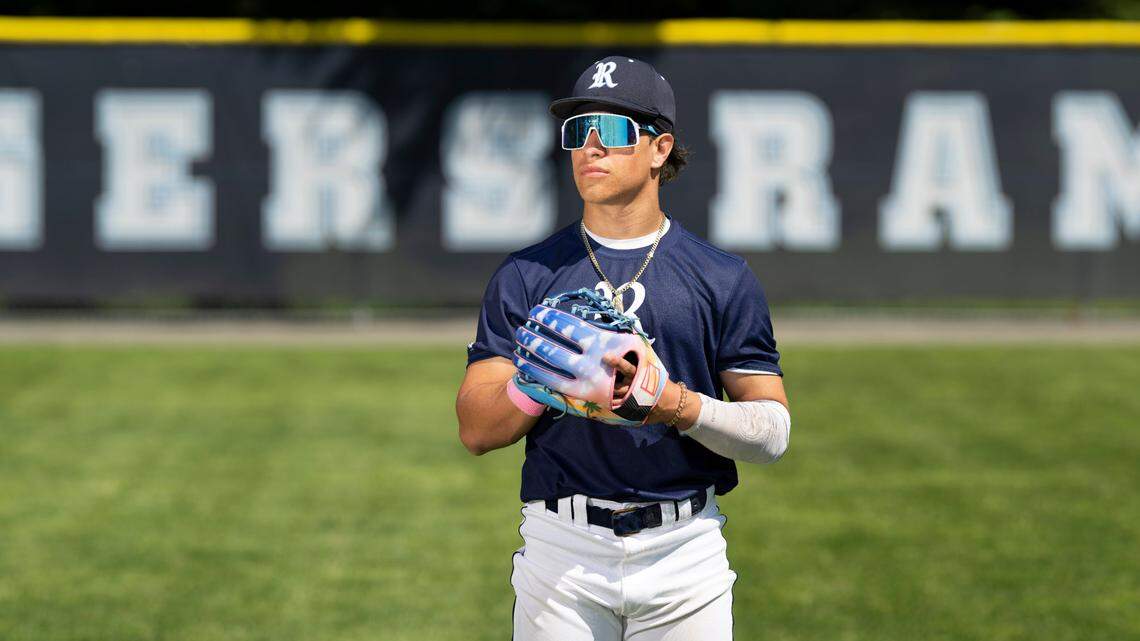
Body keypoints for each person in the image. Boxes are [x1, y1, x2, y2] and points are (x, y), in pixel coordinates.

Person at [455, 55, 791, 641]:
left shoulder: (722, 278)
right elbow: (475, 431)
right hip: (562, 551)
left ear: (660, 148)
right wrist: (539, 383)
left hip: (685, 553)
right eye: (576, 131)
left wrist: (676, 405)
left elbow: (773, 434)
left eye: (609, 129)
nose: (590, 147)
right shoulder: (526, 275)